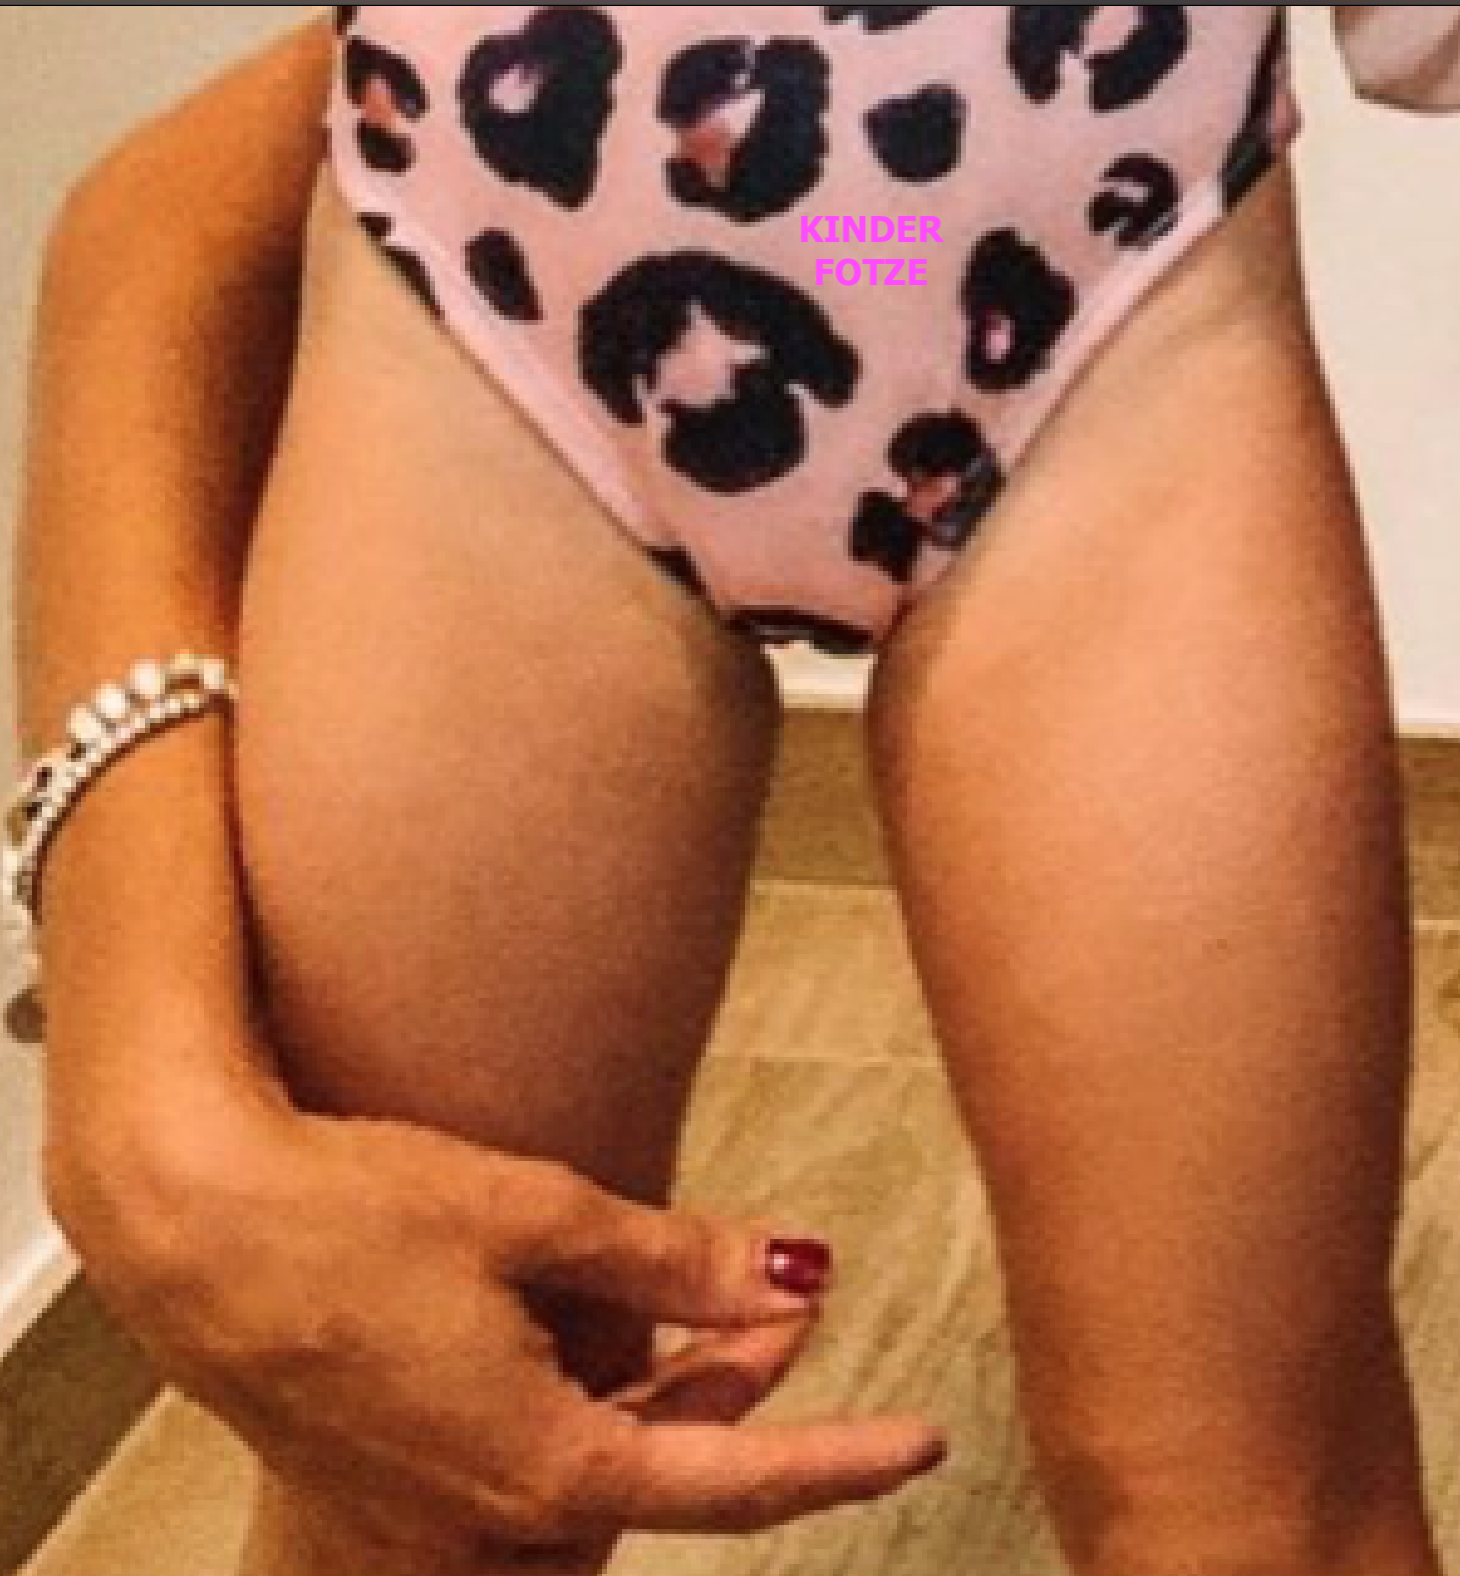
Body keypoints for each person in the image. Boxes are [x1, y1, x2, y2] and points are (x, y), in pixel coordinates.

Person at [13, 9, 1458, 1576]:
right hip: (482, 297)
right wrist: (136, 1052)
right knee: (425, 1460)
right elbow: (159, 222)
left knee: (1250, 1511)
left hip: (1111, 304)